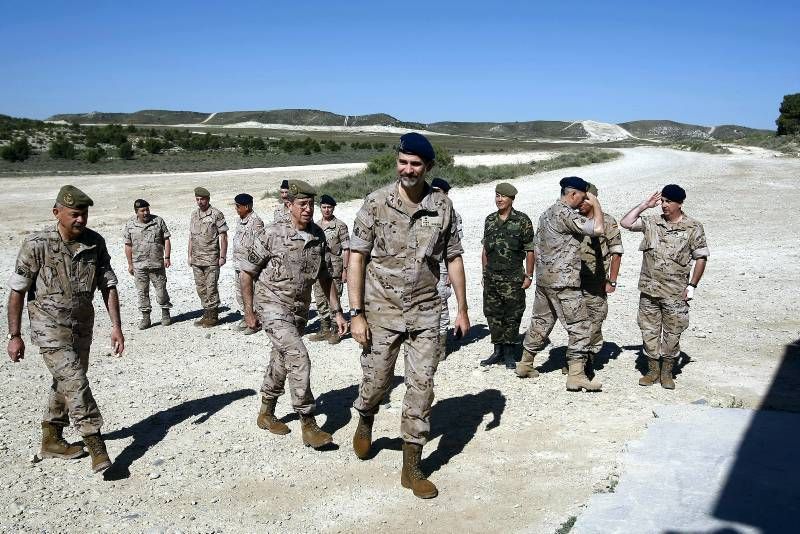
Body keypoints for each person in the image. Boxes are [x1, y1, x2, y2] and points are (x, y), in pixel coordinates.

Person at [348, 132, 470, 499]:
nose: (408, 169)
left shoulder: (443, 207)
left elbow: (454, 258)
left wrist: (462, 308)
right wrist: (356, 313)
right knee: (377, 381)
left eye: (416, 164)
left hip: (427, 312)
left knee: (422, 387)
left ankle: (412, 466)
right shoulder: (374, 204)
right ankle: (366, 416)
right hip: (381, 310)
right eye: (403, 162)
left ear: (428, 167)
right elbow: (357, 257)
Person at [6, 185, 125, 473]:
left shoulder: (95, 243)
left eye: (84, 214)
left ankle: (52, 437)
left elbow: (108, 285)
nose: (81, 220)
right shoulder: (37, 244)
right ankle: (95, 442)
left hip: (82, 326)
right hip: (48, 327)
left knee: (68, 380)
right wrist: (15, 335)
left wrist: (116, 327)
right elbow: (17, 292)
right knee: (75, 381)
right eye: (75, 214)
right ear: (57, 212)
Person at [240, 180, 347, 449]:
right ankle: (308, 423)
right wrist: (249, 311)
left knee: (282, 358)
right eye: (302, 204)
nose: (308, 209)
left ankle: (265, 412)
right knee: (299, 355)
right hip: (272, 305)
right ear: (289, 205)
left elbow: (325, 277)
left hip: (299, 310)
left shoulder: (318, 236)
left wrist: (337, 312)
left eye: (311, 204)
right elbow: (247, 272)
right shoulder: (271, 234)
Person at [516, 176, 606, 392]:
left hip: (545, 281)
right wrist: (596, 203)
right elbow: (598, 229)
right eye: (582, 197)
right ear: (573, 194)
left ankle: (525, 363)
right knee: (581, 327)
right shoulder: (565, 213)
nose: (583, 201)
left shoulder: (546, 213)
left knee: (541, 321)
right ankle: (576, 375)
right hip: (564, 283)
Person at [620, 184, 708, 389]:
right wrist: (644, 205)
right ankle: (652, 371)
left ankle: (667, 372)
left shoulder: (693, 227)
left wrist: (692, 285)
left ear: (680, 203)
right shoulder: (652, 222)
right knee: (649, 332)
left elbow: (701, 257)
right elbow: (626, 222)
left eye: (669, 202)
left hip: (675, 293)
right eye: (662, 201)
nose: (664, 205)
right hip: (649, 291)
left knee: (672, 333)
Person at [480, 182, 535, 369]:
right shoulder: (489, 220)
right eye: (497, 195)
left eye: (503, 196)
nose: (499, 199)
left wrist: (529, 276)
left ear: (511, 199)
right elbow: (485, 249)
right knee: (492, 313)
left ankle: (510, 353)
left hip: (513, 277)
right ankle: (497, 351)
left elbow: (530, 250)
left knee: (512, 314)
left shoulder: (522, 221)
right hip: (492, 276)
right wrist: (484, 272)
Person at [574, 183, 623, 373]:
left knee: (595, 321)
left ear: (594, 200)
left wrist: (612, 280)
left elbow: (616, 252)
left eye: (586, 199)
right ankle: (576, 360)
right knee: (576, 322)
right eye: (579, 198)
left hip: (596, 282)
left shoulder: (608, 222)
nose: (581, 203)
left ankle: (589, 359)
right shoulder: (573, 220)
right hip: (574, 281)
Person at [124, 199, 173, 330]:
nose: (146, 213)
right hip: (139, 266)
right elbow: (128, 245)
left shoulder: (158, 221)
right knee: (142, 292)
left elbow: (166, 240)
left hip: (157, 264)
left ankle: (165, 313)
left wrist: (167, 257)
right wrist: (130, 264)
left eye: (147, 210)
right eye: (142, 210)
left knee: (161, 291)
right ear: (136, 212)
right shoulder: (130, 225)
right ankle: (146, 318)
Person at [308, 194, 350, 344]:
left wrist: (346, 269)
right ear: (320, 208)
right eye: (324, 207)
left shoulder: (340, 226)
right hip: (319, 269)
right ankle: (324, 328)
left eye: (329, 207)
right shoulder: (315, 226)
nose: (326, 210)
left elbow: (346, 249)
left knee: (334, 298)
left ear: (333, 208)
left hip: (335, 269)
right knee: (320, 299)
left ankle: (336, 329)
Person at [430, 178, 464, 360]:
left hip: (443, 266)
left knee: (441, 303)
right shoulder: (421, 211)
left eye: (439, 192)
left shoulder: (453, 215)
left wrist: (452, 273)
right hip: (423, 268)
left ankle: (441, 345)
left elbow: (455, 251)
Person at [188, 186, 228, 327]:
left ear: (208, 199)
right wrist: (189, 256)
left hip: (211, 258)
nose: (200, 202)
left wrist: (222, 256)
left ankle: (213, 316)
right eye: (198, 199)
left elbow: (223, 236)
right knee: (201, 288)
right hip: (197, 258)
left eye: (202, 199)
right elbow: (191, 237)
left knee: (211, 287)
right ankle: (206, 313)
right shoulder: (194, 215)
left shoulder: (216, 214)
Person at [231, 193, 264, 335]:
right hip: (239, 265)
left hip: (250, 268)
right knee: (240, 294)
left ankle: (256, 321)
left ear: (247, 206)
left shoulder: (256, 222)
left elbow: (260, 246)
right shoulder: (241, 220)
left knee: (253, 295)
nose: (236, 209)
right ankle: (247, 317)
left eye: (238, 206)